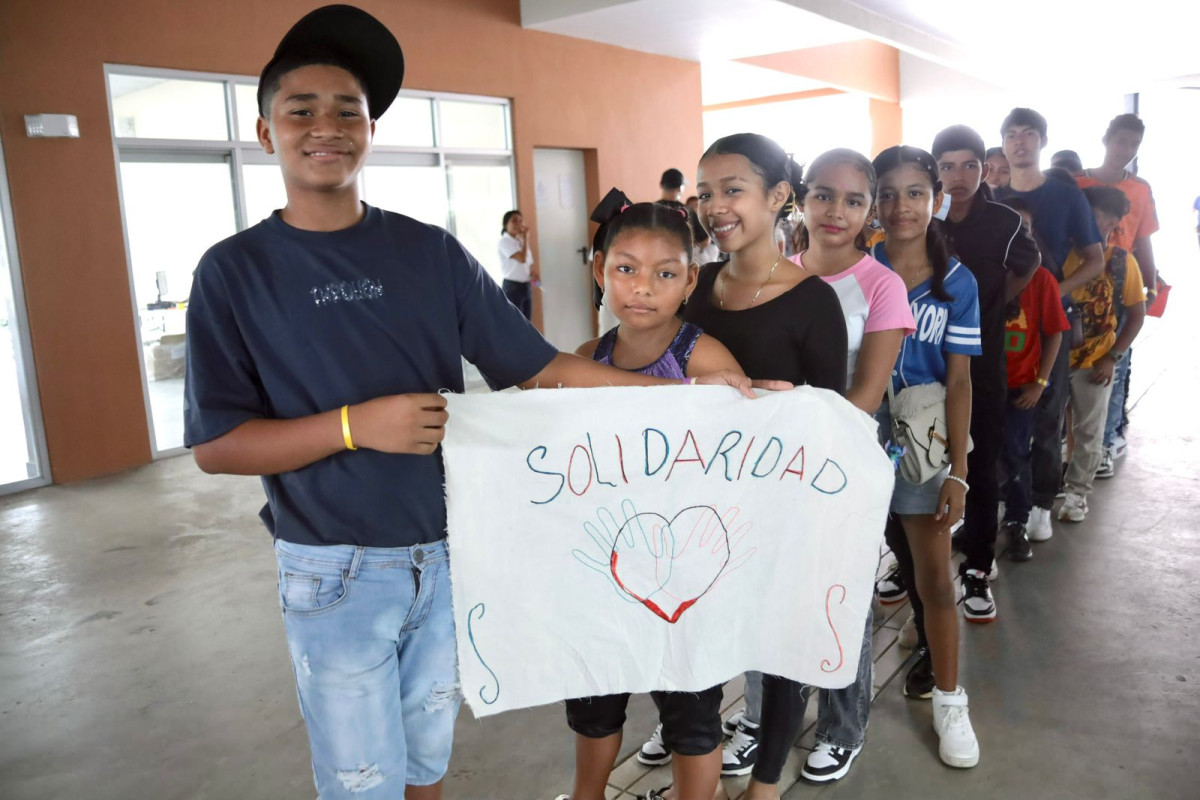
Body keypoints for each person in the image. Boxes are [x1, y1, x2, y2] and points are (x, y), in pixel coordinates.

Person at [182, 8, 759, 799]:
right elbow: (218, 445)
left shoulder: (428, 251)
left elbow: (540, 369)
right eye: (301, 109)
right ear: (264, 131)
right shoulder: (234, 271)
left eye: (348, 110)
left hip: (451, 552)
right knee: (360, 781)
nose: (327, 127)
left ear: (370, 130)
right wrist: (354, 427)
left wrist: (688, 395)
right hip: (331, 566)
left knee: (427, 763)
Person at [644, 132, 848, 800]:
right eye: (706, 193)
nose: (715, 207)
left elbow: (832, 421)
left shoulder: (813, 300)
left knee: (778, 648)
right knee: (691, 636)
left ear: (779, 195)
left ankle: (764, 786)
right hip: (694, 505)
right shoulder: (695, 288)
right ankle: (695, 757)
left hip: (777, 510)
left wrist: (780, 406)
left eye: (732, 190)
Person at [708, 148, 914, 785]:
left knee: (836, 594)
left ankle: (842, 727)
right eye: (824, 195)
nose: (836, 211)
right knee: (763, 592)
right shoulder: (775, 271)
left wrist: (791, 412)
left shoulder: (881, 285)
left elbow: (865, 397)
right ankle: (758, 719)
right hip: (766, 465)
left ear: (870, 210)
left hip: (838, 457)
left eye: (853, 200)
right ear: (799, 199)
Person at [560, 200, 744, 800]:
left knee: (691, 711)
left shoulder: (705, 358)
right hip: (606, 569)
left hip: (685, 571)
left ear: (691, 280)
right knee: (594, 701)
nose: (643, 287)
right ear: (600, 271)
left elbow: (739, 468)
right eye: (625, 269)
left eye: (665, 273)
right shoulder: (586, 358)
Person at [870, 145, 982, 768]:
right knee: (847, 566)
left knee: (934, 577)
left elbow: (959, 380)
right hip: (859, 434)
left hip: (924, 438)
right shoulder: (858, 267)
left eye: (915, 193)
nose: (901, 207)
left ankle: (949, 699)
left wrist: (958, 472)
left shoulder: (957, 282)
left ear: (936, 198)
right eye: (887, 194)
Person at [922, 125, 1038, 629]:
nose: (959, 176)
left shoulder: (1004, 221)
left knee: (980, 465)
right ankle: (914, 561)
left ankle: (976, 567)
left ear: (983, 168)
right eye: (947, 166)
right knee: (920, 462)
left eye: (969, 165)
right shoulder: (925, 218)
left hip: (982, 364)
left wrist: (994, 303)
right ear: (935, 171)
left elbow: (1030, 262)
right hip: (926, 362)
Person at [995, 108, 1104, 543]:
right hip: (999, 322)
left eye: (1028, 134)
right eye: (1011, 135)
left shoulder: (1066, 196)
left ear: (1041, 141)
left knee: (1046, 412)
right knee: (997, 413)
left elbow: (1095, 259)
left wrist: (1053, 292)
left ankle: (1041, 502)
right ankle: (1007, 498)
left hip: (1049, 323)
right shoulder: (992, 198)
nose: (1019, 142)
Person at [1075, 114, 1160, 475]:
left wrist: (1151, 283)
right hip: (1079, 280)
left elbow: (1143, 237)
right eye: (1121, 140)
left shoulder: (1140, 189)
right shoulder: (1078, 183)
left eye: (1134, 144)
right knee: (1073, 364)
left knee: (1113, 365)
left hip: (1121, 282)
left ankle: (1106, 442)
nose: (1126, 149)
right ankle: (1072, 442)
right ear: (1106, 139)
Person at [1058, 186, 1146, 522]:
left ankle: (1077, 493)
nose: (1084, 223)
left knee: (1089, 430)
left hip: (1095, 360)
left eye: (1094, 217)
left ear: (1113, 223)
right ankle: (1046, 490)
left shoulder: (1122, 262)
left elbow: (1136, 315)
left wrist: (1113, 358)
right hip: (1053, 358)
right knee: (1049, 429)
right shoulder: (1060, 254)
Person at [1002, 242, 1069, 554]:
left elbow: (1055, 332)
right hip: (984, 386)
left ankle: (1017, 520)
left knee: (1016, 452)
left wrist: (1040, 383)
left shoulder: (1042, 280)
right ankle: (980, 521)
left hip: (1022, 387)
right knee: (982, 455)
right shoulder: (987, 272)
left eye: (1026, 231)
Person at [498, 209, 538, 320]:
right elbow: (522, 259)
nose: (518, 224)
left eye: (520, 221)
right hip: (512, 288)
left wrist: (531, 273)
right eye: (514, 221)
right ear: (506, 224)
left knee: (527, 323)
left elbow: (527, 263)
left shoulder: (520, 241)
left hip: (525, 286)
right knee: (515, 322)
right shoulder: (504, 241)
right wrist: (525, 238)